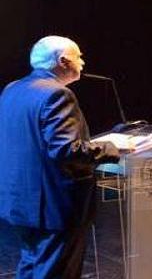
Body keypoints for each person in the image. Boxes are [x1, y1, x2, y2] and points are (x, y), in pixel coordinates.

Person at [0, 36, 120, 278]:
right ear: (63, 61)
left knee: (32, 266)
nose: (83, 62)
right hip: (52, 206)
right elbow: (67, 151)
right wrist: (112, 147)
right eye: (79, 56)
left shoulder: (13, 89)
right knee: (56, 272)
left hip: (19, 201)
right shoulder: (57, 95)